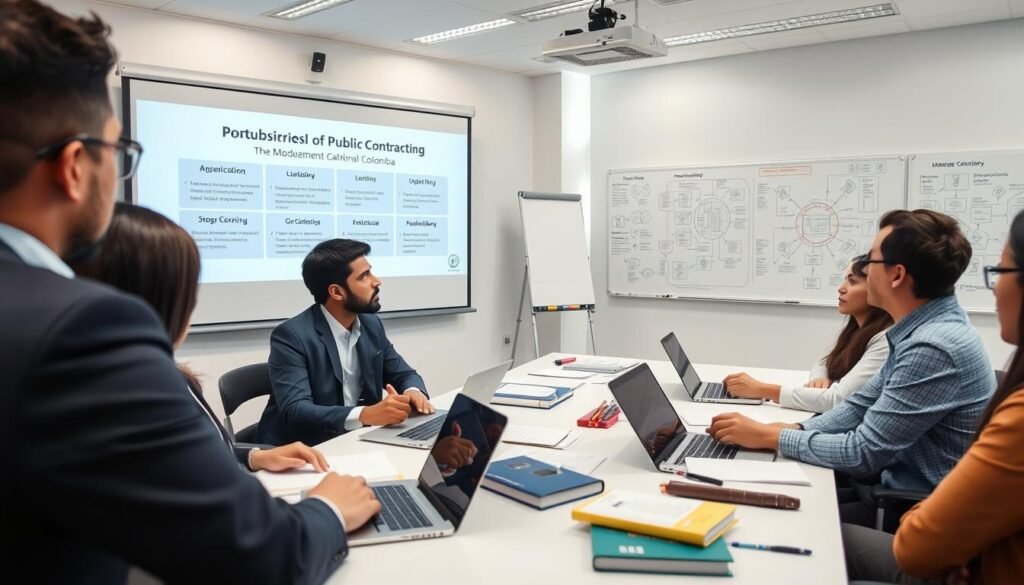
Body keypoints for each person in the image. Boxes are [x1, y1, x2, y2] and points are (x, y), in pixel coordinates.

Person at [0, 2, 378, 583]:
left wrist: (251, 456)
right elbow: (257, 558)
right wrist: (328, 509)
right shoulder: (81, 330)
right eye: (118, 155)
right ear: (75, 167)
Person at [708, 209, 995, 523]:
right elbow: (858, 406)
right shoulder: (924, 328)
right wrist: (786, 430)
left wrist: (771, 438)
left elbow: (863, 452)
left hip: (916, 513)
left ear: (896, 275)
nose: (864, 271)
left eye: (871, 261)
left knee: (781, 522)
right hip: (892, 490)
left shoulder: (934, 346)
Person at [74, 202, 328, 474]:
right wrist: (328, 508)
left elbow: (209, 455)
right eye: (188, 288)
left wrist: (254, 456)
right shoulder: (145, 398)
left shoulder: (139, 378)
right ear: (163, 300)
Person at [844, 211, 1024, 585]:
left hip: (935, 541)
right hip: (936, 529)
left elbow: (918, 548)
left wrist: (780, 436)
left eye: (1001, 272)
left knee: (815, 532)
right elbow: (858, 406)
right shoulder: (916, 331)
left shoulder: (935, 345)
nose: (994, 287)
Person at [256, 238, 433, 446]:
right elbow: (296, 411)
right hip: (305, 449)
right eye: (364, 276)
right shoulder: (291, 337)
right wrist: (365, 415)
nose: (376, 281)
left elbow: (404, 374)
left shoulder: (371, 325)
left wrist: (413, 392)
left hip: (358, 440)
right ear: (336, 292)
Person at [723, 257, 893, 413]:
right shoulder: (857, 328)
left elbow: (838, 400)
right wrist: (819, 377)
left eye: (852, 281)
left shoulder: (885, 340)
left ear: (877, 289)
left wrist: (762, 389)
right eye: (844, 280)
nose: (841, 288)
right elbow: (825, 361)